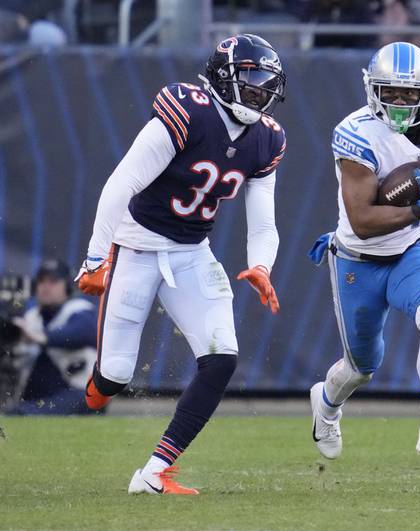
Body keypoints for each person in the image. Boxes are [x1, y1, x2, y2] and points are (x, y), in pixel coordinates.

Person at [75, 34, 286, 495]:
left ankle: (154, 471)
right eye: (250, 78)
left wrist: (261, 266)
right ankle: (94, 386)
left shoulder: (266, 138)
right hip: (136, 246)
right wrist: (96, 256)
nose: (260, 91)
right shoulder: (188, 109)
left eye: (266, 82)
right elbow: (122, 181)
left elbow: (264, 222)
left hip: (192, 252)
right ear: (223, 76)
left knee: (222, 359)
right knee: (113, 377)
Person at [307, 42, 420, 468]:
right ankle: (326, 406)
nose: (400, 102)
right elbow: (363, 219)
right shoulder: (357, 132)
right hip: (358, 259)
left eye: (409, 93)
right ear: (372, 89)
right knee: (361, 368)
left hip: (410, 250)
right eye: (390, 92)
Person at [9, 259, 98, 415]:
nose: (46, 287)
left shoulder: (79, 309)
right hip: (40, 396)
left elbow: (83, 332)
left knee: (25, 413)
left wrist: (40, 337)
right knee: (11, 411)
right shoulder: (32, 316)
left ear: (68, 285)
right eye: (41, 281)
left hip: (79, 393)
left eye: (54, 281)